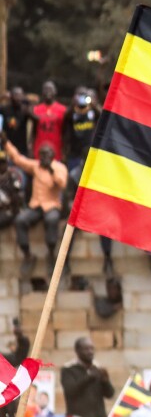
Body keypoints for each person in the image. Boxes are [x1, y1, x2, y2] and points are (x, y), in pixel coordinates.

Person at [7, 139, 69, 279]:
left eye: (46, 155)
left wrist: (51, 170)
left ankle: (51, 254)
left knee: (51, 220)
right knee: (20, 220)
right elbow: (18, 159)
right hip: (36, 205)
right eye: (41, 155)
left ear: (52, 156)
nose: (43, 158)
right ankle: (28, 255)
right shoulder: (35, 166)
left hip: (52, 205)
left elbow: (62, 184)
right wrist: (6, 143)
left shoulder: (59, 167)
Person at [59, 337, 114, 417]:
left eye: (92, 349)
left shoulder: (98, 368)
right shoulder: (69, 369)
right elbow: (70, 391)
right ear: (77, 351)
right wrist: (88, 378)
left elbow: (110, 394)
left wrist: (105, 381)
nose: (90, 352)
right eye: (86, 349)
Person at [31, 81, 67, 159]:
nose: (48, 92)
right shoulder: (36, 109)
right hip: (39, 149)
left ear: (55, 91)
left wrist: (64, 151)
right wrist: (31, 148)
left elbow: (65, 132)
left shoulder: (62, 110)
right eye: (46, 89)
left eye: (50, 89)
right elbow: (33, 132)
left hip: (56, 149)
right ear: (42, 92)